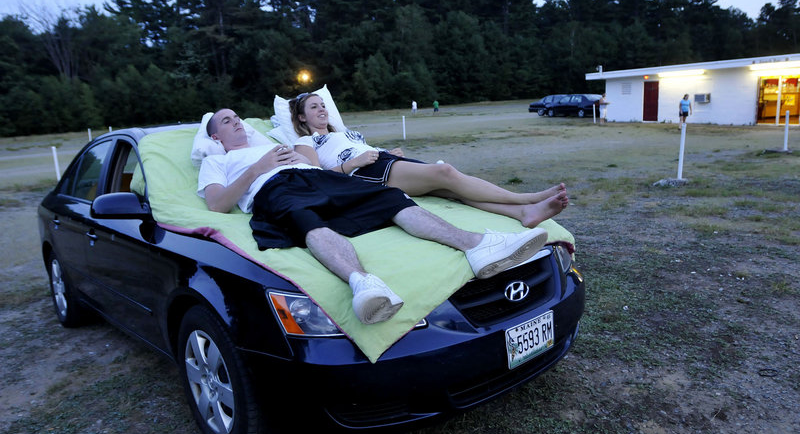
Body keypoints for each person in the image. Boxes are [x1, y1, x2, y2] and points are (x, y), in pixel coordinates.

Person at [198, 108, 550, 325]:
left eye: (238, 118)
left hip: (317, 178)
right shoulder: (218, 160)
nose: (238, 123)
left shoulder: (269, 144)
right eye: (228, 121)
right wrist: (258, 167)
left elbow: (318, 161)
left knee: (388, 196)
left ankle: (477, 245)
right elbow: (217, 204)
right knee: (304, 219)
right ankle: (362, 283)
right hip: (274, 189)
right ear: (216, 135)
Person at [289, 93, 569, 229]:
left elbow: (361, 149)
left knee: (450, 190)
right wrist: (354, 163)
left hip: (380, 162)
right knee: (445, 172)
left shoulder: (342, 133)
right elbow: (316, 177)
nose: (322, 109)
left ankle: (523, 215)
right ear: (302, 117)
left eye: (323, 104)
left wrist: (384, 151)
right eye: (314, 107)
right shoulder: (306, 141)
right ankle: (526, 199)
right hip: (362, 174)